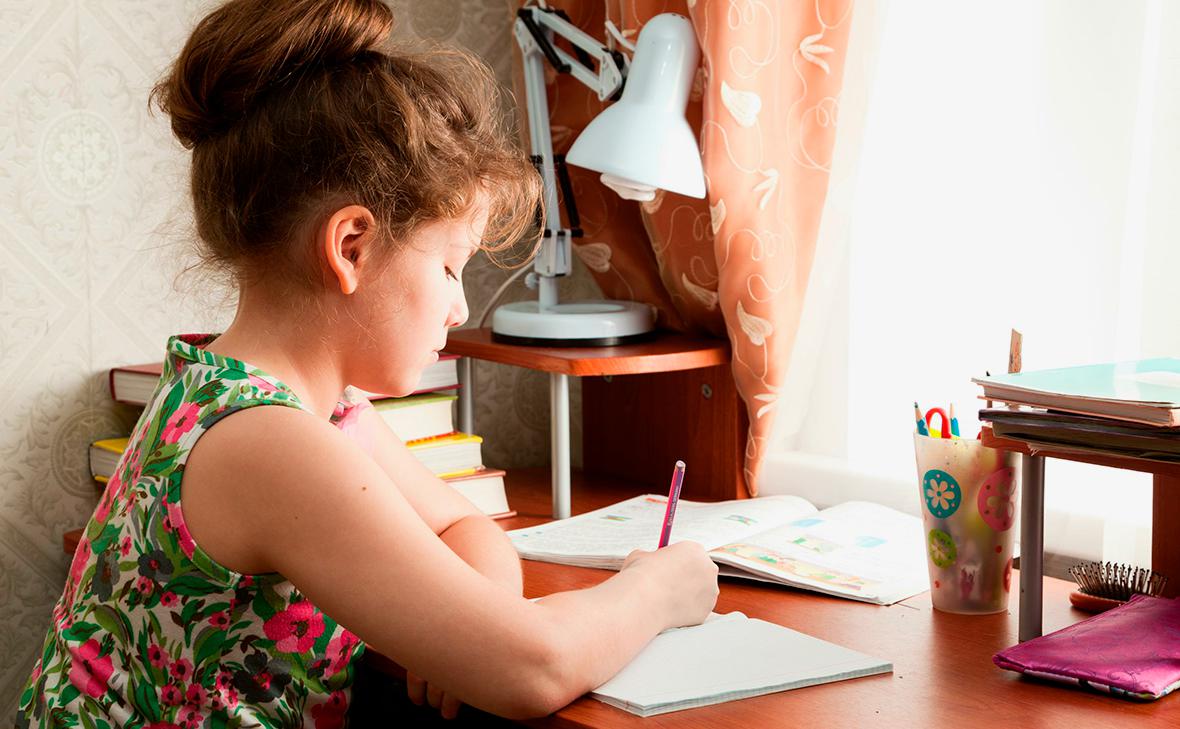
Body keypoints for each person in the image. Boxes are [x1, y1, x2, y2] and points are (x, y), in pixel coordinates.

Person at [14, 0, 719, 726]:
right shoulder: (268, 442)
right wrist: (659, 589)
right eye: (449, 267)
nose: (459, 307)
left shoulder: (293, 404)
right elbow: (534, 668)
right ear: (351, 246)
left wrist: (462, 628)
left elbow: (463, 524)